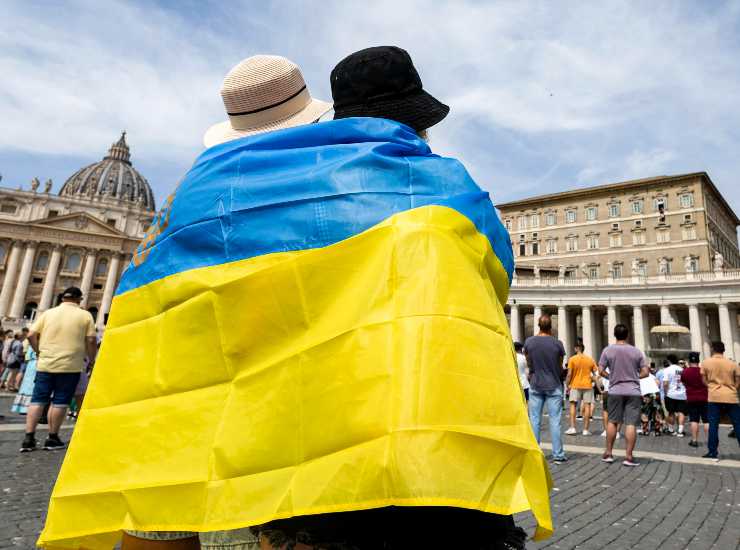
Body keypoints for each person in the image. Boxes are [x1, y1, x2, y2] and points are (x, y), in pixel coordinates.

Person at [39, 49, 549, 550]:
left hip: (275, 439)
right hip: (421, 437)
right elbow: (492, 276)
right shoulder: (445, 186)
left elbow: (160, 320)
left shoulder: (194, 192)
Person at [20, 287, 97, 452]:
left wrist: (39, 351)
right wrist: (91, 359)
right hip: (70, 365)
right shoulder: (85, 315)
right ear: (79, 299)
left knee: (38, 400)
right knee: (60, 401)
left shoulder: (48, 313)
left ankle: (28, 438)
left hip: (45, 364)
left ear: (62, 298)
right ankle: (52, 437)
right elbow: (91, 340)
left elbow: (31, 335)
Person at [599, 323, 649, 467]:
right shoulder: (636, 352)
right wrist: (634, 377)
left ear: (615, 335)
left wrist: (610, 377)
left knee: (613, 422)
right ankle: (628, 456)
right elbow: (645, 372)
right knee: (631, 424)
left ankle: (608, 453)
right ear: (628, 335)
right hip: (633, 390)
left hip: (615, 390)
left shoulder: (608, 351)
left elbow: (600, 369)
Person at [525, 314, 567, 463]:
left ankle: (535, 453)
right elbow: (560, 366)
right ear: (551, 327)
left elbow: (529, 363)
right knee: (555, 421)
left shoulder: (529, 342)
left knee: (534, 420)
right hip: (554, 385)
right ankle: (558, 455)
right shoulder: (557, 344)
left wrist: (533, 372)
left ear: (538, 325)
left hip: (536, 384)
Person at [700, 341, 740, 461]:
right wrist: (733, 388)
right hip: (731, 396)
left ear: (712, 349)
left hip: (714, 396)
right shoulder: (732, 364)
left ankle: (713, 452)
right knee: (738, 424)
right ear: (723, 350)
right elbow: (738, 380)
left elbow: (703, 379)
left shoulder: (706, 362)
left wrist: (711, 387)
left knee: (713, 425)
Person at [565, 342, 598, 435]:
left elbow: (569, 374)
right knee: (587, 406)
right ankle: (586, 430)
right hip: (587, 385)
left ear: (576, 348)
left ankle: (572, 427)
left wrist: (567, 385)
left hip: (575, 384)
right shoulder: (590, 359)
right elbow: (596, 373)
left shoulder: (572, 359)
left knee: (573, 405)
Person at [681, 351, 708, 448]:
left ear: (689, 361)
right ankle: (710, 441)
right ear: (698, 361)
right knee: (706, 420)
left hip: (691, 398)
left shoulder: (685, 372)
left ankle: (694, 440)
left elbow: (684, 383)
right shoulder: (703, 371)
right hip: (704, 398)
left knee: (694, 420)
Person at [662, 354, 687, 436]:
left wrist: (665, 393)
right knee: (681, 412)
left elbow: (665, 383)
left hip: (671, 394)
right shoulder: (682, 369)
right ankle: (680, 430)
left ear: (669, 361)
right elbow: (685, 382)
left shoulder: (667, 370)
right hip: (682, 394)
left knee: (671, 412)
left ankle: (671, 429)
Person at [11, 346, 37, 414]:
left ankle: (23, 407)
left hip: (30, 364)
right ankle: (28, 407)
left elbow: (27, 357)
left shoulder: (32, 345)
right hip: (36, 364)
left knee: (26, 386)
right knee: (32, 386)